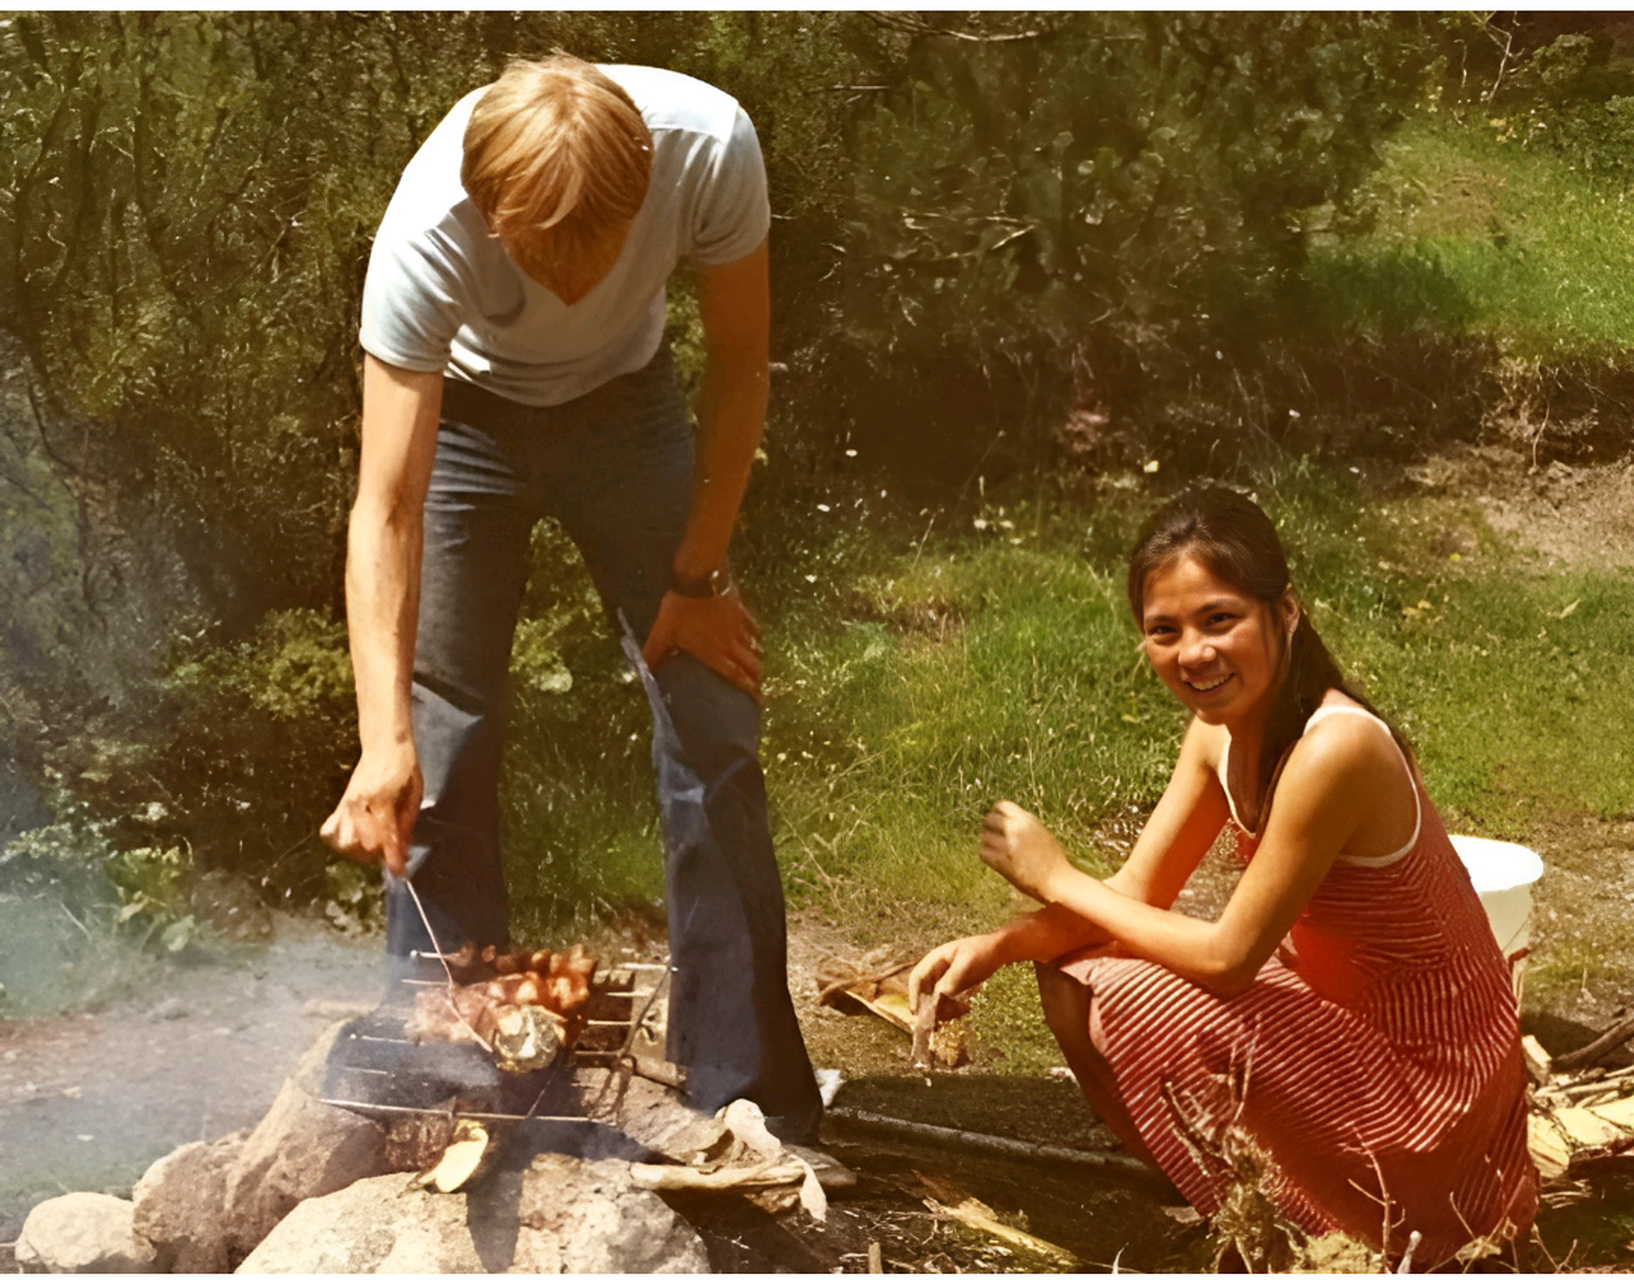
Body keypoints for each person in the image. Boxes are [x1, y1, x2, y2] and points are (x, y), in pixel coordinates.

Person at [318, 53, 822, 1140]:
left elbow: (739, 365)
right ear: (490, 209)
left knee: (711, 711)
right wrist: (380, 737)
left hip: (627, 410)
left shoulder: (709, 147)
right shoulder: (425, 230)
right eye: (543, 253)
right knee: (438, 739)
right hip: (464, 422)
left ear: (644, 190)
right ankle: (457, 1064)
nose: (574, 284)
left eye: (598, 249)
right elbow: (386, 506)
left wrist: (699, 574)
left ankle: (739, 1083)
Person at [909, 487, 1537, 1267]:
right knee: (1070, 974)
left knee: (1128, 994)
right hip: (1346, 1025)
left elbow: (1229, 959)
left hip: (1432, 1095)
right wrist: (998, 945)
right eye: (1164, 631)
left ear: (1287, 612)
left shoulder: (1333, 748)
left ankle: (1348, 1225)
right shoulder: (1218, 734)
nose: (1194, 653)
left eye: (1219, 619)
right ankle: (1231, 1199)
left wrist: (1056, 876)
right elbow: (1136, 896)